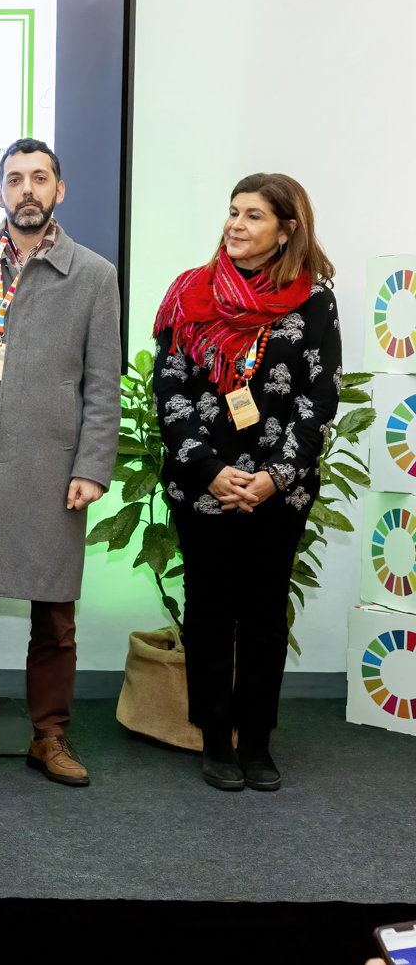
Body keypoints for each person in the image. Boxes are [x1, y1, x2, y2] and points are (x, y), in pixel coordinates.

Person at [0, 137, 120, 787]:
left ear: (59, 190)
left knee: (55, 617)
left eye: (39, 178)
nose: (27, 189)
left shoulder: (94, 274)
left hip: (53, 469)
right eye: (15, 179)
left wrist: (92, 466)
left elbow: (103, 383)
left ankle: (50, 737)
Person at [152, 173, 338, 792]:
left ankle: (256, 740)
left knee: (263, 613)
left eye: (253, 215)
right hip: (204, 484)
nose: (236, 224)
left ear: (287, 230)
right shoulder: (191, 292)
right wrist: (210, 472)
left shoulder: (315, 301)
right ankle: (215, 738)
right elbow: (170, 389)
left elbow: (319, 398)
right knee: (209, 611)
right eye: (233, 211)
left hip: (277, 490)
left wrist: (275, 477)